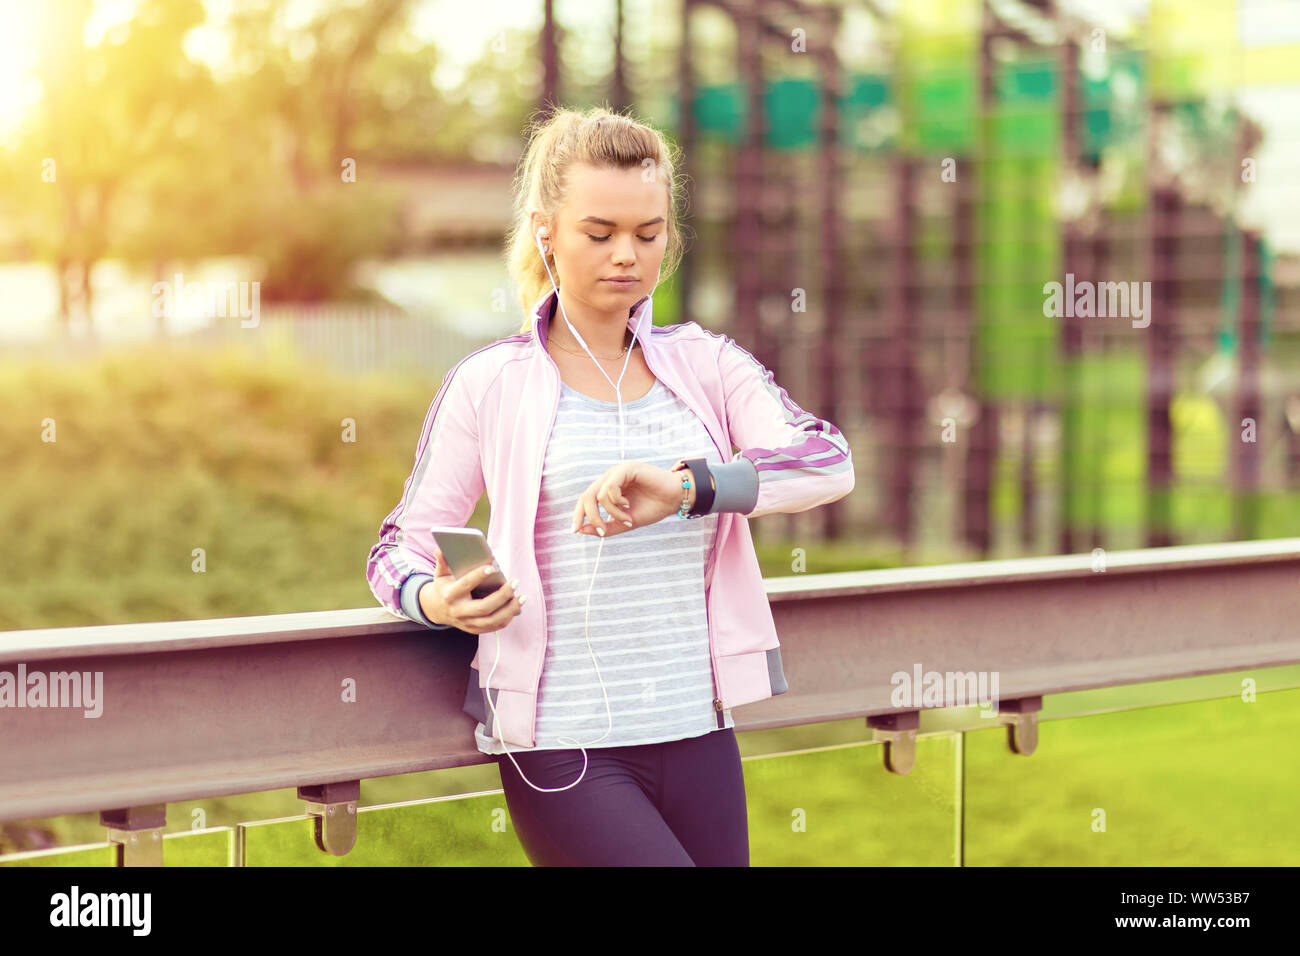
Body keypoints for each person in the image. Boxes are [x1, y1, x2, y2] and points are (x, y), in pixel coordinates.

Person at [366, 104, 854, 867]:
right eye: (599, 233)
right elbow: (396, 549)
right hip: (563, 746)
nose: (626, 255)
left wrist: (690, 486)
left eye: (649, 234)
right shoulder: (489, 383)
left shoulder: (709, 365)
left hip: (699, 730)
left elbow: (828, 462)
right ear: (545, 231)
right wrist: (434, 599)